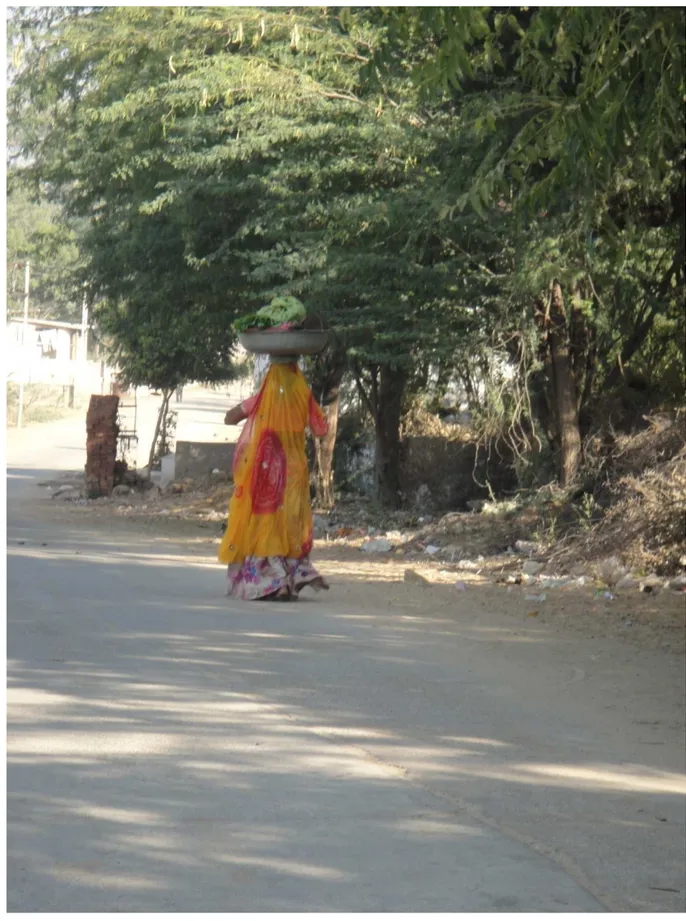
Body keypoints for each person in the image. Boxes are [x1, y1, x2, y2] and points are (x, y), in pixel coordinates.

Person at [218, 357, 329, 601]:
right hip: (295, 470)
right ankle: (293, 576)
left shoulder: (263, 398)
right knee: (290, 522)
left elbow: (230, 417)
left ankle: (274, 582)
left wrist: (256, 411)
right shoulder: (303, 396)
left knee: (267, 521)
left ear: (271, 375)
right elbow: (322, 429)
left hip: (268, 468)